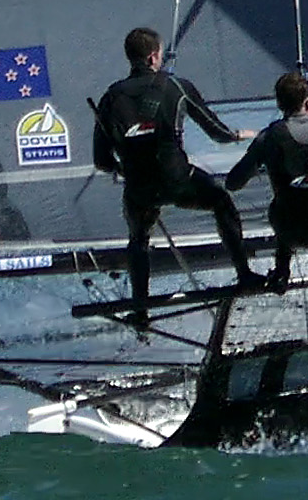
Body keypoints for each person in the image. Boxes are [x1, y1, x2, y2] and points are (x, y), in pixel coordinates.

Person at [92, 26, 260, 325]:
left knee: (138, 238)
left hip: (140, 189)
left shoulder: (110, 98)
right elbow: (217, 133)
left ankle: (140, 309)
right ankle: (244, 274)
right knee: (221, 201)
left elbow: (102, 161)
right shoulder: (177, 87)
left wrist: (124, 167)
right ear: (154, 57)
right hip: (180, 181)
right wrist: (240, 135)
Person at [229, 69, 308, 290]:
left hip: (291, 233)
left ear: (279, 104)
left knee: (286, 204)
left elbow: (233, 183)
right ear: (307, 102)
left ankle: (282, 271)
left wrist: (261, 155)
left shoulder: (269, 137)